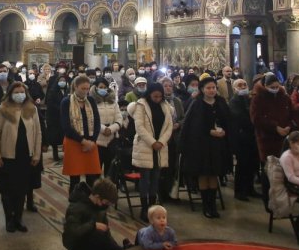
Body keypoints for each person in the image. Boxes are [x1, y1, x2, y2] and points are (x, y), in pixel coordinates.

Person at [0, 81, 43, 234]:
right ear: (10, 93)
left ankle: (19, 218)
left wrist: (37, 154)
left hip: (25, 156)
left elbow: (38, 133)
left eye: (22, 92)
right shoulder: (2, 109)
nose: (19, 95)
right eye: (16, 92)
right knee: (7, 190)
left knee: (22, 189)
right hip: (7, 156)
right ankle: (9, 219)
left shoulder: (32, 109)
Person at [177, 75, 231, 218]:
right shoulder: (197, 103)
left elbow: (228, 120)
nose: (211, 90)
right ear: (202, 89)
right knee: (203, 174)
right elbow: (193, 125)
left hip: (217, 145)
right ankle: (206, 205)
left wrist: (224, 131)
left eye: (213, 88)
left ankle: (213, 205)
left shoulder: (220, 102)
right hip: (201, 145)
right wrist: (209, 131)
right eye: (208, 88)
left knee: (213, 174)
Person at [62, 178, 124, 250]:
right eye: (106, 203)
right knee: (96, 236)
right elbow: (72, 233)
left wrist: (114, 248)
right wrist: (93, 226)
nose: (106, 206)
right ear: (97, 197)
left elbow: (106, 232)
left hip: (97, 240)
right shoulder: (76, 207)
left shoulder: (100, 207)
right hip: (78, 244)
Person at [129, 81, 174, 221]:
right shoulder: (141, 105)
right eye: (155, 96)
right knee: (145, 178)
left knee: (155, 178)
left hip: (160, 147)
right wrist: (153, 142)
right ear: (149, 94)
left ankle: (152, 206)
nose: (157, 99)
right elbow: (140, 127)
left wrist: (161, 141)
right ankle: (144, 208)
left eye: (160, 96)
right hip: (145, 146)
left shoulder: (166, 107)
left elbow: (169, 127)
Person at [61, 74, 103, 192]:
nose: (85, 91)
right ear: (75, 87)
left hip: (90, 143)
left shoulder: (91, 100)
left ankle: (90, 203)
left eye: (87, 88)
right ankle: (74, 204)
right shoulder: (66, 102)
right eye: (83, 88)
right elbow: (66, 126)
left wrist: (92, 141)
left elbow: (97, 121)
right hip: (74, 142)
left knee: (92, 177)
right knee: (75, 178)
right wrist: (83, 141)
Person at [251, 73, 293, 161]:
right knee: (270, 166)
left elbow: (292, 113)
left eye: (277, 87)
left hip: (284, 136)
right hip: (266, 138)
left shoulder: (284, 97)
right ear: (265, 86)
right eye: (272, 87)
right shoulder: (258, 98)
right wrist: (275, 127)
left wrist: (289, 126)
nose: (275, 89)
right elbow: (256, 118)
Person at [93, 77, 123, 179]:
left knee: (110, 172)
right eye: (101, 87)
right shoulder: (92, 103)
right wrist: (103, 129)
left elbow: (119, 119)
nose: (103, 89)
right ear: (96, 88)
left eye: (105, 87)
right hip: (97, 141)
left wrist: (111, 129)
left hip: (111, 140)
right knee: (96, 171)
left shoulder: (113, 103)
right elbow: (91, 120)